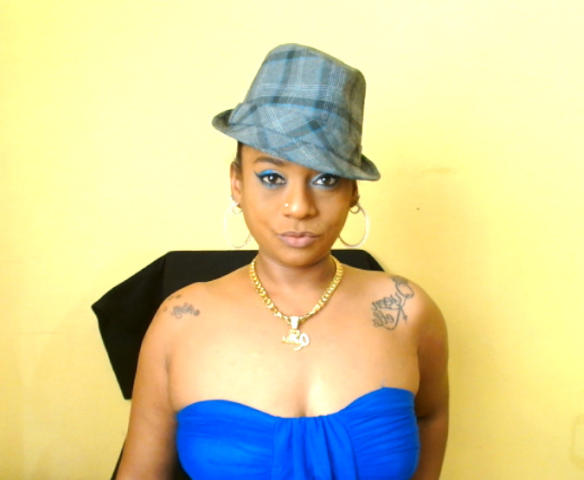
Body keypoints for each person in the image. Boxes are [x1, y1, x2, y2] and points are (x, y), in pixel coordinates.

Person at [115, 43, 448, 480]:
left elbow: (431, 416)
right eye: (271, 177)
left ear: (353, 192)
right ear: (237, 183)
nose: (299, 207)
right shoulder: (180, 320)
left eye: (326, 178)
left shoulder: (408, 311)